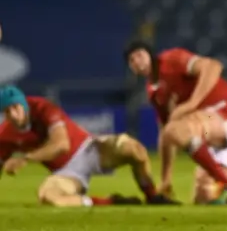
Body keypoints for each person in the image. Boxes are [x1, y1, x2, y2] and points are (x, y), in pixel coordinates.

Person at [125, 42, 227, 205]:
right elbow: (166, 134)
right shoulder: (153, 92)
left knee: (178, 129)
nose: (137, 61)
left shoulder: (171, 59)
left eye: (139, 55)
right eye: (131, 60)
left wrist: (191, 104)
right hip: (218, 130)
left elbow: (213, 66)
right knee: (205, 197)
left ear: (149, 53)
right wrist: (165, 181)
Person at [0, 86, 177, 206]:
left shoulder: (42, 107)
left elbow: (61, 145)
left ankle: (152, 196)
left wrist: (26, 158)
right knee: (49, 197)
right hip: (66, 172)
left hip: (89, 149)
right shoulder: (6, 133)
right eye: (7, 111)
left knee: (133, 149)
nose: (13, 114)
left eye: (15, 107)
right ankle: (111, 202)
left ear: (23, 104)